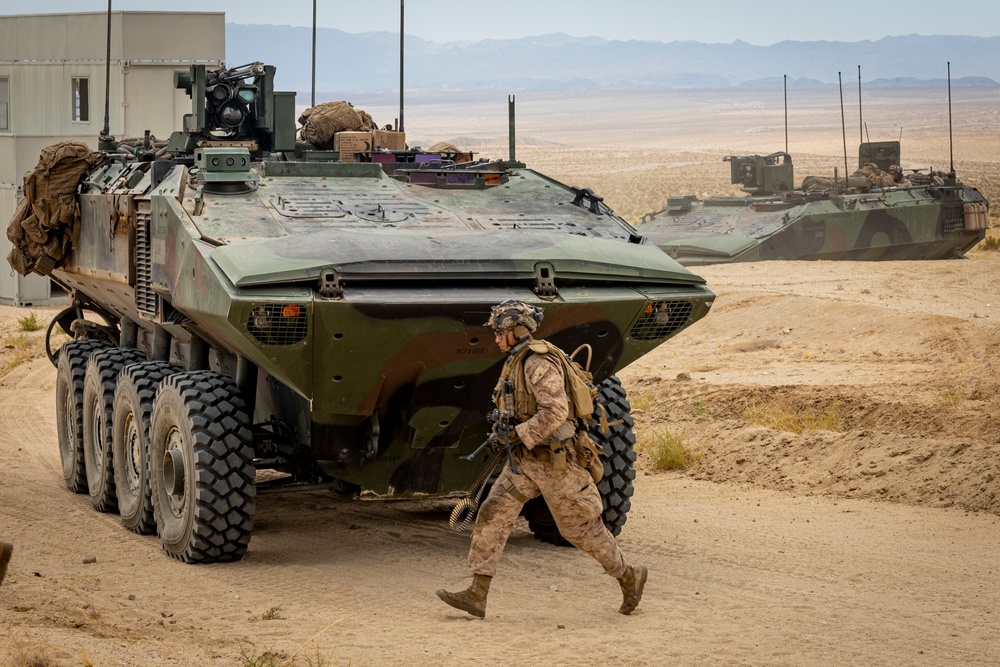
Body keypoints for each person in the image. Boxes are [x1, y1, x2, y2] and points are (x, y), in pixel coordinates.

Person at [436, 299, 646, 618]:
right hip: (524, 462)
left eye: (501, 331)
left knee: (581, 530)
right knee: (493, 513)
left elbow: (555, 411)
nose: (495, 338)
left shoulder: (538, 362)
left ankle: (629, 577)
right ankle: (477, 594)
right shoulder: (514, 361)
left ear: (517, 331)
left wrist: (519, 433)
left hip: (555, 463)